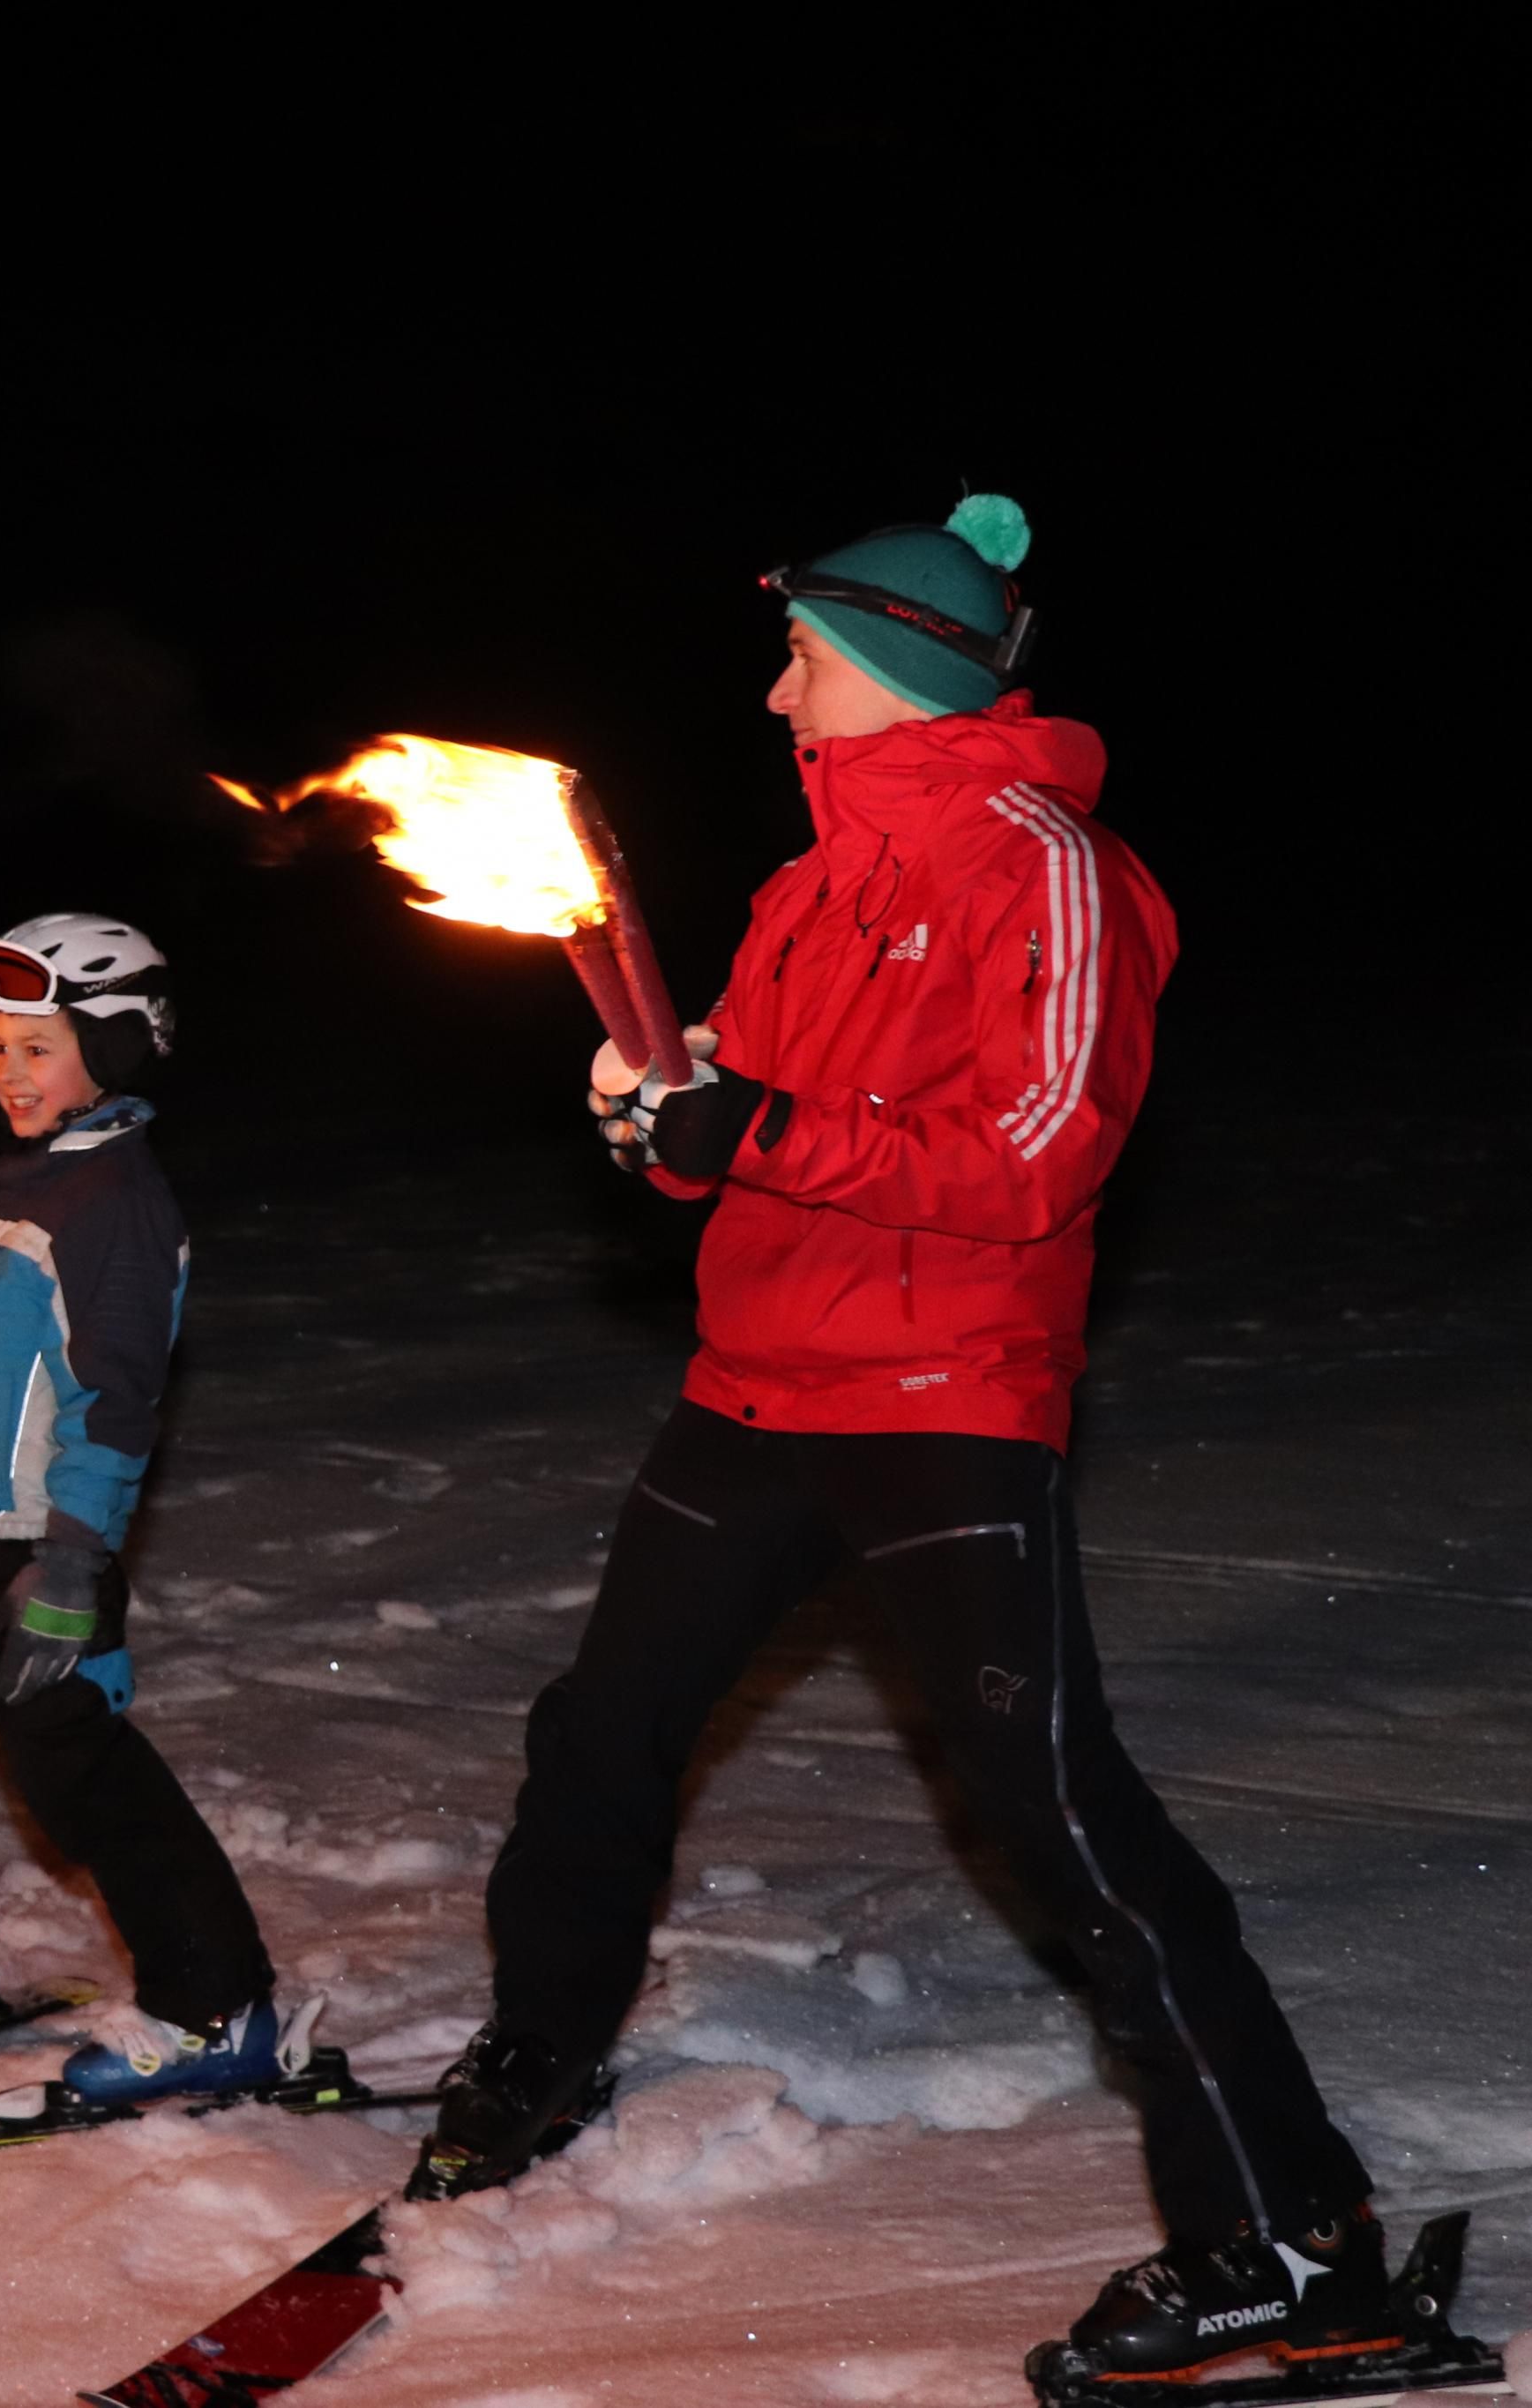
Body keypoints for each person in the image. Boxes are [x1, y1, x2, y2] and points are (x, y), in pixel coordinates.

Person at [407, 497, 1394, 2388]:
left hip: (941, 1396)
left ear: (897, 669)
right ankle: (543, 2041)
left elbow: (1035, 1157)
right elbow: (739, 1112)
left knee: (1056, 1810)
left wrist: (756, 1129)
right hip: (755, 1379)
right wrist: (662, 1115)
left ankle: (1291, 2238)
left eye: (803, 660)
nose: (775, 694)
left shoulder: (1052, 871)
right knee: (601, 1728)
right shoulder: (812, 880)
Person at [0, 915, 297, 2107]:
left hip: (37, 1545)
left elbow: (113, 1404)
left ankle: (217, 2005)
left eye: (39, 1047)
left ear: (118, 1047)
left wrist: (76, 1567)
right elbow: (9, 1366)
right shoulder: (23, 1188)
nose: (9, 1071)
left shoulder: (114, 1210)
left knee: (79, 1772)